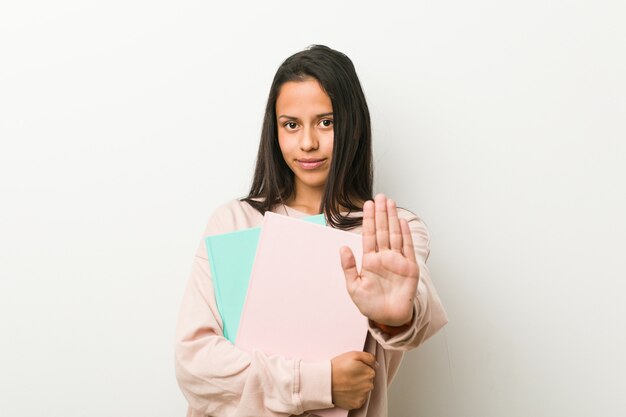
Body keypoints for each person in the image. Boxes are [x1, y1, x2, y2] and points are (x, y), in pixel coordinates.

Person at [174, 44, 448, 417]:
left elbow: (416, 311)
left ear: (353, 125)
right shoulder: (234, 222)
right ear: (275, 131)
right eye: (291, 125)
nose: (307, 143)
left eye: (326, 122)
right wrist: (323, 383)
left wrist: (395, 317)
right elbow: (196, 369)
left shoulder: (388, 231)